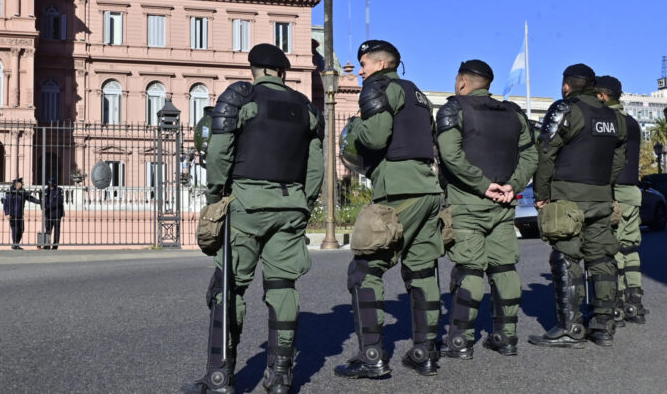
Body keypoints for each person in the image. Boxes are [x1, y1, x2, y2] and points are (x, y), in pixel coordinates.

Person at [182, 43, 324, 394]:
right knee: (282, 287)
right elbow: (317, 166)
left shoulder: (240, 98)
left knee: (227, 287)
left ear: (254, 70)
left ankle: (220, 377)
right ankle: (280, 378)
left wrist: (218, 197)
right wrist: (302, 202)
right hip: (290, 205)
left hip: (246, 204)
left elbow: (218, 153)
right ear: (283, 73)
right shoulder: (305, 106)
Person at [335, 40, 445, 379]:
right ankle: (424, 353)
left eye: (363, 64)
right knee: (423, 270)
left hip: (398, 189)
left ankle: (372, 357)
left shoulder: (377, 88)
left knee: (365, 270)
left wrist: (354, 129)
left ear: (380, 64)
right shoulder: (417, 93)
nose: (360, 72)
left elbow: (376, 137)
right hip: (428, 187)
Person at [435, 60, 538, 359]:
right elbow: (531, 154)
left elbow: (450, 154)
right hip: (505, 203)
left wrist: (482, 185)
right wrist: (511, 184)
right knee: (504, 268)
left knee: (469, 268)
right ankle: (506, 337)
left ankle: (460, 341)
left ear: (462, 81)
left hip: (468, 202)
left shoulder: (454, 109)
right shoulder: (514, 113)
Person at [529, 64, 627, 348]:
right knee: (602, 258)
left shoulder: (565, 109)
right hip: (600, 196)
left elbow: (546, 153)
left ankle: (571, 328)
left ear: (566, 86)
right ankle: (603, 325)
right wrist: (603, 185)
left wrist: (541, 193)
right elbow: (619, 159)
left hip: (568, 195)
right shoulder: (614, 117)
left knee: (565, 256)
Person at [595, 75, 648, 325]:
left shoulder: (607, 121)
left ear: (603, 96)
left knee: (612, 248)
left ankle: (614, 302)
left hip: (613, 192)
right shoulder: (633, 122)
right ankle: (634, 302)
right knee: (630, 248)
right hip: (632, 193)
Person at [31, 177, 65, 250]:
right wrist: (44, 206)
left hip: (56, 214)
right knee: (48, 230)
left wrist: (48, 206)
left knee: (56, 231)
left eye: (52, 184)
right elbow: (43, 201)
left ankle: (55, 246)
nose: (51, 185)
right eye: (50, 184)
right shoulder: (46, 191)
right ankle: (47, 245)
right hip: (48, 213)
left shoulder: (59, 190)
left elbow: (59, 201)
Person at [2, 177, 32, 250]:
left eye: (21, 183)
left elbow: (30, 198)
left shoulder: (22, 191)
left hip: (20, 215)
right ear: (16, 184)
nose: (21, 185)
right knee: (15, 230)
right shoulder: (10, 192)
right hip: (12, 215)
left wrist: (40, 202)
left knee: (21, 229)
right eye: (20, 183)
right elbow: (6, 204)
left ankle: (16, 244)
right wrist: (7, 213)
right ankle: (15, 245)